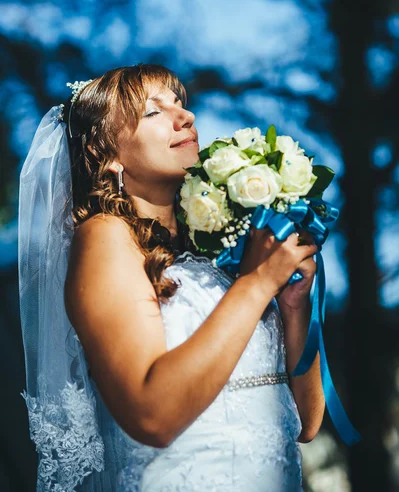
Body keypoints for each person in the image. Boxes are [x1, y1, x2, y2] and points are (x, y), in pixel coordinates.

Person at [18, 64, 324, 492]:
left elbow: (307, 422)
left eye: (180, 104)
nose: (186, 117)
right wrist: (256, 284)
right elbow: (152, 416)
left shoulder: (221, 257)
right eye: (152, 112)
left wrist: (293, 305)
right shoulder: (106, 238)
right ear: (106, 156)